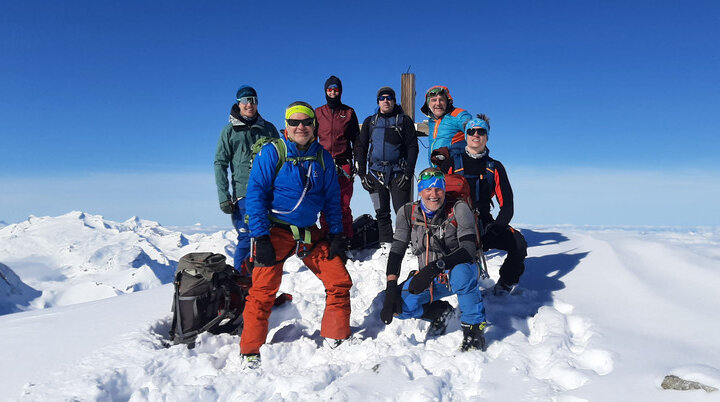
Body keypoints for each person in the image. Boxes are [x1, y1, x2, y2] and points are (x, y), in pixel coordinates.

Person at [241, 101, 353, 369]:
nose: (300, 127)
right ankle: (250, 350)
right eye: (294, 122)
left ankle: (335, 336)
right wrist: (261, 236)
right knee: (263, 290)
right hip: (274, 230)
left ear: (315, 127)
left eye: (306, 122)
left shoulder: (323, 158)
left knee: (338, 279)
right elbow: (255, 195)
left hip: (307, 233)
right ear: (286, 127)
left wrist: (336, 234)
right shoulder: (272, 153)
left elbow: (331, 199)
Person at [380, 167, 487, 351]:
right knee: (399, 307)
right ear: (420, 190)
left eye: (438, 189)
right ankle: (440, 313)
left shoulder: (458, 208)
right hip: (430, 277)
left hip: (457, 270)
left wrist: (435, 267)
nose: (434, 194)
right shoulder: (407, 213)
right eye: (428, 189)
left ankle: (474, 331)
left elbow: (468, 249)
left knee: (462, 274)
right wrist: (391, 288)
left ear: (444, 190)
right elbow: (397, 250)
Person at [431, 114, 527, 295]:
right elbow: (434, 195)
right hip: (455, 226)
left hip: (484, 225)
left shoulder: (495, 167)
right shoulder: (452, 163)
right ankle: (442, 287)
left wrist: (496, 229)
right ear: (466, 135)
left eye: (481, 131)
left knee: (519, 244)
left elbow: (507, 205)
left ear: (487, 136)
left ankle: (505, 283)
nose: (476, 134)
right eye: (471, 131)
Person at [214, 85, 279, 272]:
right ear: (238, 104)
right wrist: (223, 196)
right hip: (244, 193)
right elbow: (220, 163)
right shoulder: (229, 132)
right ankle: (240, 284)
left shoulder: (268, 129)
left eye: (253, 100)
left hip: (268, 192)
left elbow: (280, 159)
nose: (249, 104)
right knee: (246, 238)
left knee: (268, 238)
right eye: (245, 100)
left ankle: (261, 286)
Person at [355, 86, 419, 243]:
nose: (386, 100)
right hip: (376, 173)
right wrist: (362, 174)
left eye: (389, 97)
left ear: (394, 100)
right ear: (378, 101)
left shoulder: (404, 121)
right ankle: (385, 243)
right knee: (381, 211)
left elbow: (412, 147)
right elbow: (360, 147)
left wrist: (408, 173)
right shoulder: (370, 122)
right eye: (382, 98)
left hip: (398, 172)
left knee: (402, 211)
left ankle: (406, 242)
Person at [315, 75, 360, 241]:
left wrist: (358, 161)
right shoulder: (318, 113)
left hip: (343, 164)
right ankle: (327, 237)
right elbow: (312, 139)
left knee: (343, 204)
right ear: (325, 91)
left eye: (336, 89)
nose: (333, 93)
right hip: (324, 164)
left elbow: (357, 139)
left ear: (340, 91)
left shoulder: (348, 112)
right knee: (325, 204)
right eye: (329, 89)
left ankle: (346, 238)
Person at [420, 85, 472, 164]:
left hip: (455, 168)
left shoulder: (458, 115)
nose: (438, 103)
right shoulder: (432, 121)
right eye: (434, 100)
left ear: (448, 101)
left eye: (441, 100)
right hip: (437, 170)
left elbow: (475, 131)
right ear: (428, 104)